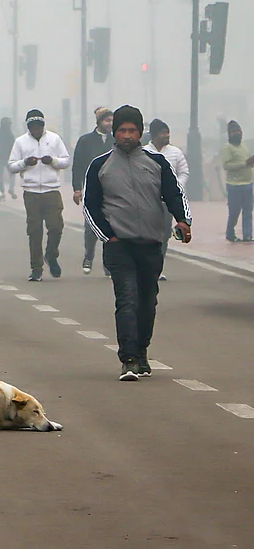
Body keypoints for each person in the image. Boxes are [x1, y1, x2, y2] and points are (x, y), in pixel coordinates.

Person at [83, 105, 191, 381]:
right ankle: (128, 359)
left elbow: (174, 194)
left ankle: (142, 352)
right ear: (114, 133)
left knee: (147, 301)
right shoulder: (100, 165)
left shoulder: (157, 163)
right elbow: (90, 206)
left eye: (132, 130)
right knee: (127, 299)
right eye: (122, 130)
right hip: (119, 245)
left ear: (140, 133)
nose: (127, 135)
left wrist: (183, 220)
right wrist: (109, 235)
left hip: (151, 243)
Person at [8, 109, 71, 282]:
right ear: (28, 127)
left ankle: (51, 255)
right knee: (34, 232)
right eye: (33, 127)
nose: (36, 130)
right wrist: (25, 163)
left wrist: (52, 161)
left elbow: (66, 161)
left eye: (39, 127)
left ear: (43, 126)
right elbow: (12, 166)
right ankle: (36, 268)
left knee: (56, 227)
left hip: (51, 190)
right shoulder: (21, 142)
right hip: (31, 191)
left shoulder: (54, 139)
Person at [72, 108, 114, 274]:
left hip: (112, 190)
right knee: (91, 226)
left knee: (111, 226)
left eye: (111, 120)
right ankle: (88, 256)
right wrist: (77, 188)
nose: (109, 124)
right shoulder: (85, 141)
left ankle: (108, 263)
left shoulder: (116, 141)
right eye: (106, 120)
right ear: (98, 122)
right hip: (92, 189)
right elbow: (78, 166)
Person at [145, 119, 189, 279]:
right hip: (148, 201)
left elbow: (184, 172)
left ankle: (158, 269)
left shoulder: (175, 153)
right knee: (148, 234)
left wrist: (176, 187)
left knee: (163, 235)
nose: (167, 135)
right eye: (163, 133)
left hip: (166, 202)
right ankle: (145, 267)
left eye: (167, 132)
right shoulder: (144, 152)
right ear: (155, 135)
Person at [221, 120, 254, 242]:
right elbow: (227, 165)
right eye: (234, 132)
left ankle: (247, 235)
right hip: (234, 185)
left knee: (248, 212)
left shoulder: (244, 146)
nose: (237, 134)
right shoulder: (227, 148)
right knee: (234, 212)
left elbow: (248, 164)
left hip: (248, 184)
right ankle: (230, 233)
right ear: (229, 134)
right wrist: (244, 164)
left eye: (239, 131)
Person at [0, 117, 17, 199]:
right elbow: (14, 147)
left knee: (0, 175)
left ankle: (2, 191)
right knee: (12, 174)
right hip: (8, 157)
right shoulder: (10, 134)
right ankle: (11, 188)